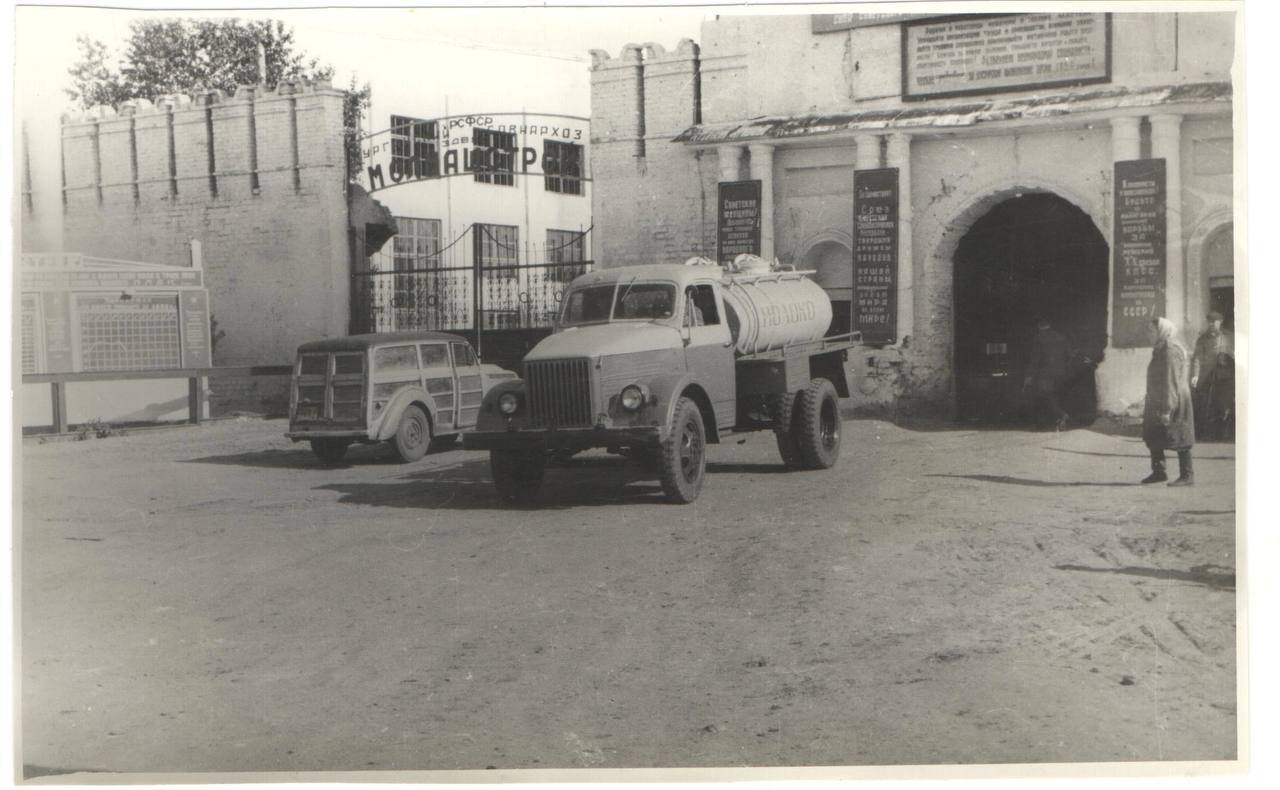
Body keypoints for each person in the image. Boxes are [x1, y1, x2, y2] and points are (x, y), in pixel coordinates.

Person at [1142, 317, 1196, 486]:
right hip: (1158, 399)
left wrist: (1167, 409)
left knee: (1179, 435)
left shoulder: (1169, 351)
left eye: (1151, 331)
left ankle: (1187, 476)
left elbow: (1170, 381)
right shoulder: (1159, 349)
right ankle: (1159, 472)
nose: (1148, 334)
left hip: (1173, 399)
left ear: (1162, 332)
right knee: (1153, 434)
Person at [1190, 311, 1234, 440]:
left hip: (1224, 379)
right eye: (1209, 322)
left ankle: (1224, 434)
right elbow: (1197, 358)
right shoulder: (1203, 339)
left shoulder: (1228, 337)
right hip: (1207, 378)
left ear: (1220, 322)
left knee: (1224, 405)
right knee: (1206, 405)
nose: (1211, 324)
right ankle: (1206, 434)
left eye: (1214, 322)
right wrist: (1196, 375)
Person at [1023, 317, 1071, 431]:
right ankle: (1058, 420)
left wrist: (1029, 376)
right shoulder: (1062, 337)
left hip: (1045, 373)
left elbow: (1035, 359)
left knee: (1044, 394)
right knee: (1055, 395)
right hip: (1061, 372)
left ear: (1039, 326)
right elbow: (1069, 355)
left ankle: (1060, 415)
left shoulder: (1039, 338)